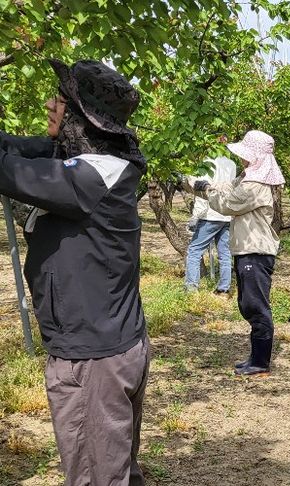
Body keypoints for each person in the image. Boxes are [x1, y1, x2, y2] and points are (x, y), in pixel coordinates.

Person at [0, 60, 149, 484]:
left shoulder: (90, 177)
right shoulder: (100, 162)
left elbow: (9, 169)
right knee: (115, 469)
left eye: (62, 100)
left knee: (94, 475)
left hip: (92, 359)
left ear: (83, 118)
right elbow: (22, 149)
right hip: (110, 344)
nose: (51, 104)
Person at [188, 130, 284, 377]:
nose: (242, 159)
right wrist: (199, 184)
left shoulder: (254, 185)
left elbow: (227, 203)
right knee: (247, 304)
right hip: (247, 249)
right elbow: (226, 187)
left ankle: (260, 362)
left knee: (256, 306)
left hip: (255, 250)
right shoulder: (249, 178)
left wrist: (204, 190)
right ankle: (255, 357)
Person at [185, 156, 237, 294]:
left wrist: (196, 216)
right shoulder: (231, 164)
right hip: (226, 214)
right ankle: (224, 288)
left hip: (210, 215)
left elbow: (202, 192)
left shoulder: (206, 163)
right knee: (225, 254)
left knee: (194, 251)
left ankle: (191, 289)